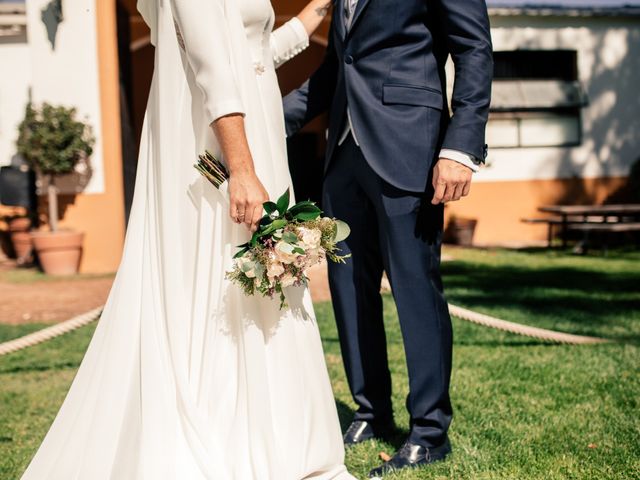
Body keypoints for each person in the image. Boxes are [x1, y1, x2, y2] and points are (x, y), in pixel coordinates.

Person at [21, 1, 355, 479]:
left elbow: (250, 52)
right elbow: (211, 64)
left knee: (255, 285)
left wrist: (314, 12)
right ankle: (231, 441)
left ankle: (273, 436)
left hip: (252, 140)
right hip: (224, 148)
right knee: (223, 282)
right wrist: (240, 168)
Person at [284, 0, 493, 477]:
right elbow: (339, 67)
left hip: (410, 148)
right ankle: (369, 411)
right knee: (349, 292)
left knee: (416, 291)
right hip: (342, 157)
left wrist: (461, 145)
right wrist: (265, 119)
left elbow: (474, 48)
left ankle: (429, 432)